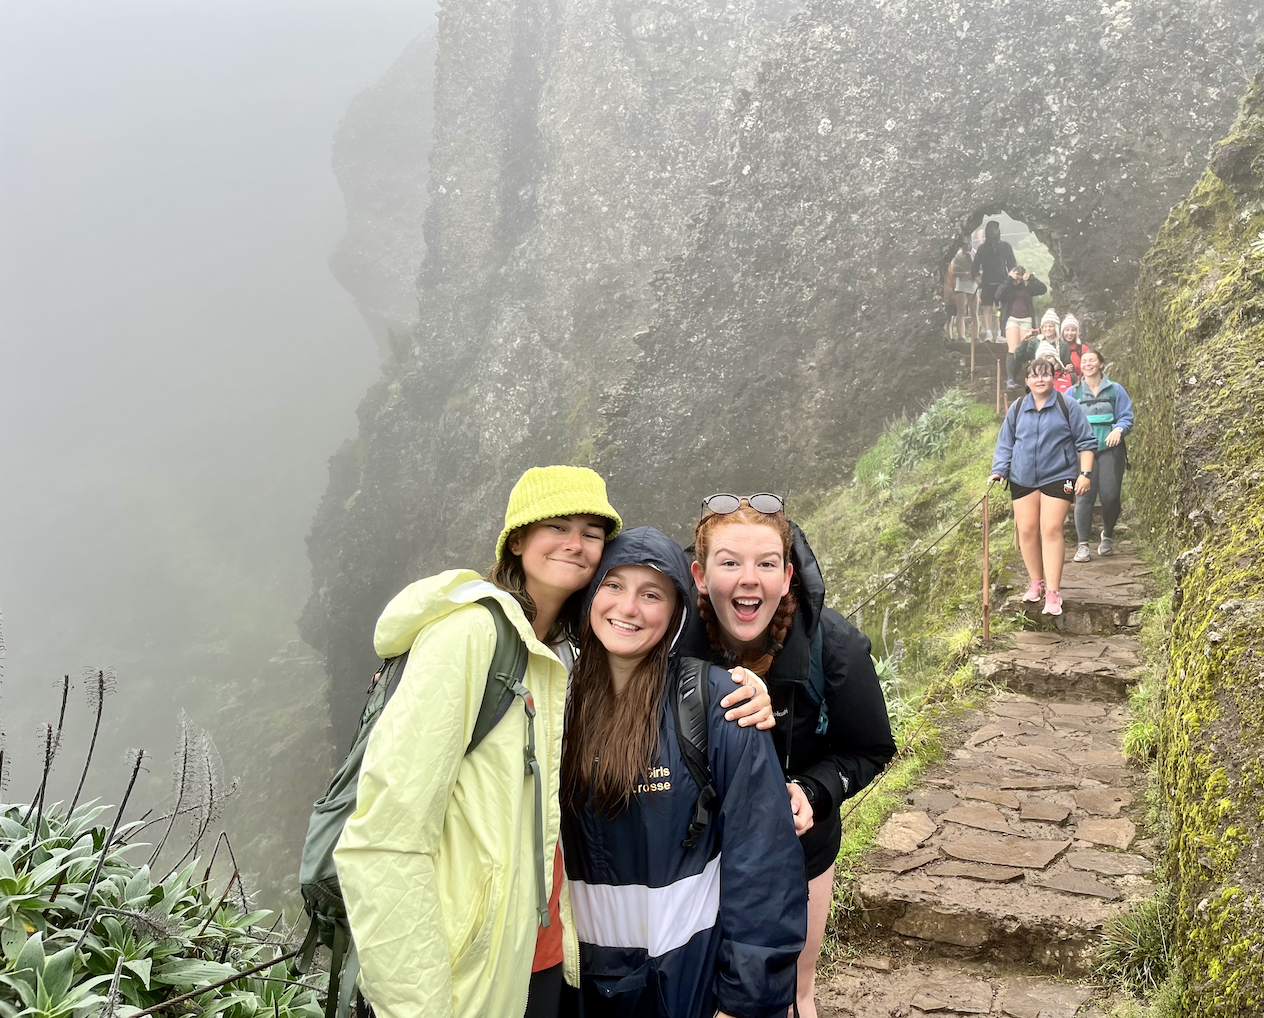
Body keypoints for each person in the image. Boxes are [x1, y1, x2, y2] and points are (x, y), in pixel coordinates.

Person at [333, 466, 772, 1018]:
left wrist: (746, 688)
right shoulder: (470, 638)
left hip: (546, 963)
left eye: (591, 531)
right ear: (516, 539)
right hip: (463, 974)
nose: (575, 543)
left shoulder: (561, 663)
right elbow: (383, 844)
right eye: (556, 526)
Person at [561, 527, 807, 1018]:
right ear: (589, 595)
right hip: (569, 987)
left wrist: (744, 1004)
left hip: (687, 986)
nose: (628, 608)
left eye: (651, 594)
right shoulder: (550, 701)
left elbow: (763, 865)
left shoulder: (720, 706)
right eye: (613, 585)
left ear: (674, 613)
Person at [679, 495, 897, 1018]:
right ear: (700, 575)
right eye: (730, 562)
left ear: (787, 574)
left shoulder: (834, 647)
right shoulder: (674, 639)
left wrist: (812, 790)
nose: (749, 579)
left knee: (794, 991)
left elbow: (872, 748)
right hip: (695, 851)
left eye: (766, 563)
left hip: (801, 850)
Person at [990, 361, 1098, 616]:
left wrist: (1085, 474)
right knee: (1027, 530)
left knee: (1050, 529)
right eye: (1034, 376)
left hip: (1059, 475)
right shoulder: (1017, 409)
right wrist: (999, 470)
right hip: (1022, 477)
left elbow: (1086, 441)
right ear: (1026, 381)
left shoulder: (1067, 405)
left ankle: (1053, 591)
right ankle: (1036, 583)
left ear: (1053, 378)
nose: (1040, 380)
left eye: (1045, 375)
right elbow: (1005, 443)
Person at [1071, 348, 1134, 562]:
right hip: (1083, 451)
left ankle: (1107, 534)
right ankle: (1082, 545)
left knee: (1111, 496)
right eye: (1084, 361)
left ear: (1101, 364)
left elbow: (1126, 416)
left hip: (1110, 450)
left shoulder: (1116, 390)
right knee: (1083, 496)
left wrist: (1119, 430)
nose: (1087, 364)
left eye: (1092, 360)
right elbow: (1063, 420)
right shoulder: (1072, 393)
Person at [995, 266, 1049, 388]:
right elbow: (998, 295)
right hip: (1011, 319)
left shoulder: (1027, 287)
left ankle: (1016, 377)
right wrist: (1009, 279)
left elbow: (1042, 289)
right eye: (1017, 274)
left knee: (1021, 349)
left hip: (1026, 319)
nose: (1018, 277)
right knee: (1013, 348)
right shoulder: (1008, 286)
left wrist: (1031, 278)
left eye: (1020, 274)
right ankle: (1010, 379)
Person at [971, 220, 1016, 343]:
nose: (994, 232)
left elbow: (1012, 265)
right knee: (989, 309)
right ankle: (989, 334)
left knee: (999, 309)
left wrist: (1010, 280)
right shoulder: (982, 248)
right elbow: (974, 269)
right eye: (992, 230)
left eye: (996, 230)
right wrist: (979, 281)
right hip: (988, 283)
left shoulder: (1005, 246)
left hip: (1002, 283)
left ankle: (1000, 334)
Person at [951, 238, 979, 343]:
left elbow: (978, 267)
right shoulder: (957, 255)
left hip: (973, 284)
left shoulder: (975, 253)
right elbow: (954, 272)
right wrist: (966, 273)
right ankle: (961, 336)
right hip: (961, 283)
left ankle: (976, 336)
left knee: (974, 312)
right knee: (961, 311)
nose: (966, 246)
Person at [1061, 313, 1087, 379]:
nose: (1070, 333)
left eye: (1073, 330)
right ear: (1062, 332)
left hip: (1081, 382)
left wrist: (1074, 368)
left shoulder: (1083, 348)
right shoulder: (1057, 348)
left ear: (1077, 332)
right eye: (1067, 330)